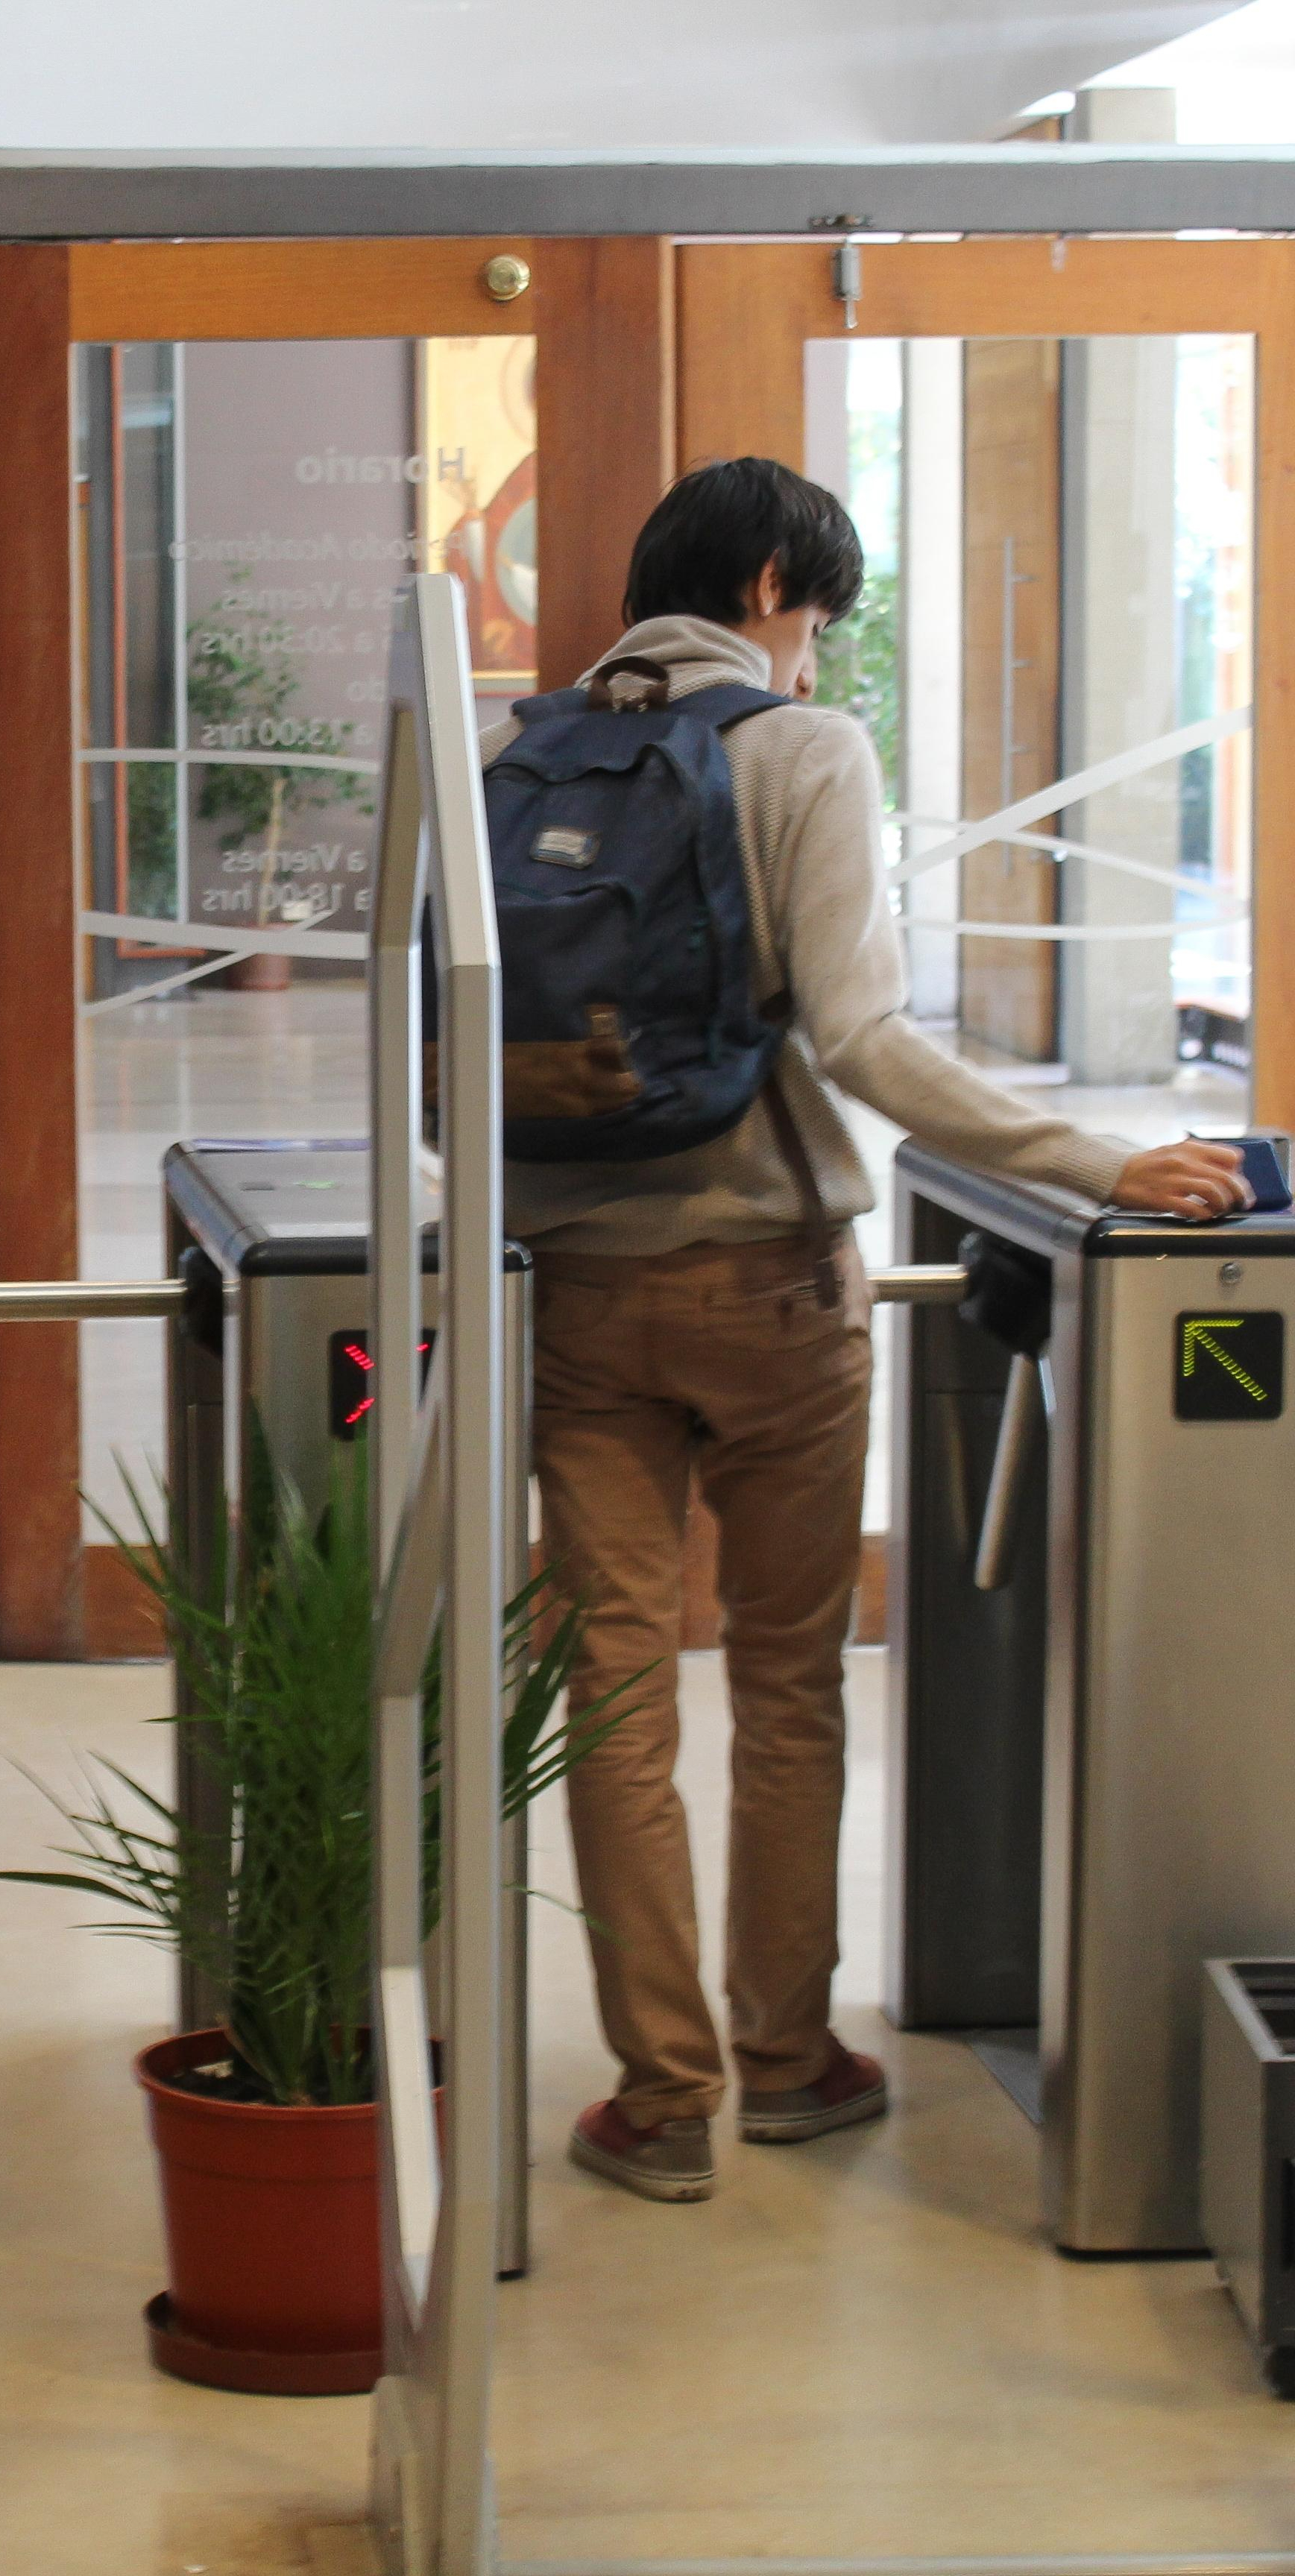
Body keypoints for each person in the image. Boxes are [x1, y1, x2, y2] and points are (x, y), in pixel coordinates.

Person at [500, 458, 1247, 2205]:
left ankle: (659, 2103)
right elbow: (866, 1041)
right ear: (771, 586)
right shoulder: (799, 749)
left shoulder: (515, 751)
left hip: (578, 1294)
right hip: (770, 1289)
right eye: (821, 613)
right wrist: (1101, 1152)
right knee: (783, 1688)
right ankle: (789, 2059)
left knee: (609, 1696)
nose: (820, 649)